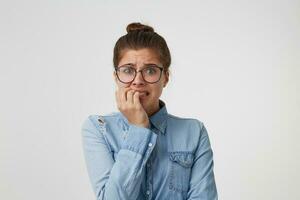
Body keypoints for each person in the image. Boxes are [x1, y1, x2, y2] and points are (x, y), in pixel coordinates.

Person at [81, 22, 218, 200]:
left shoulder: (194, 132)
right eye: (128, 70)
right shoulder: (98, 129)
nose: (138, 80)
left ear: (166, 77)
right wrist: (138, 129)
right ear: (116, 77)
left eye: (150, 70)